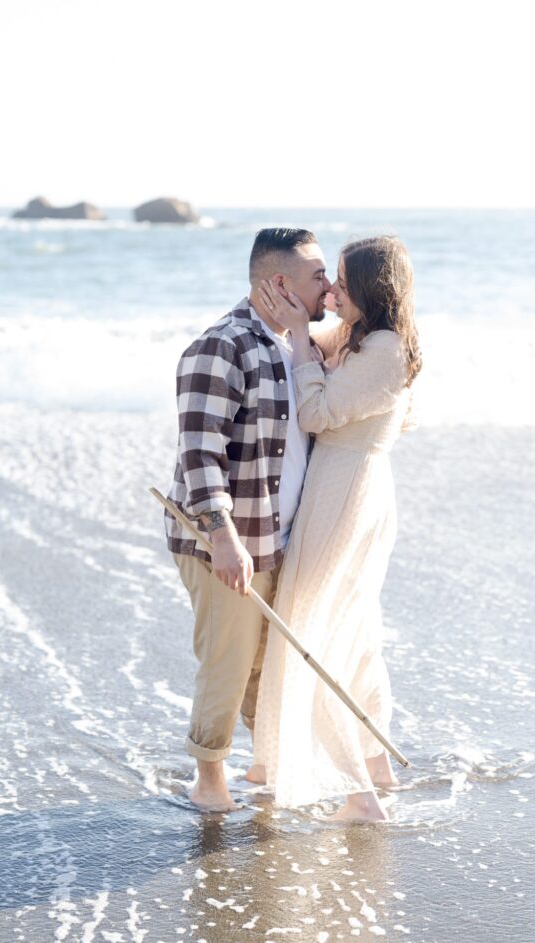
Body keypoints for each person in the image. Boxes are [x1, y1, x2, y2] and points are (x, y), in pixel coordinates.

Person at [249, 235, 421, 822]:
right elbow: (297, 338)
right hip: (347, 486)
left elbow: (317, 411)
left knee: (310, 633)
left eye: (342, 282)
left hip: (345, 494)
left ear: (372, 289)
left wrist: (299, 335)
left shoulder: (387, 350)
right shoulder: (359, 337)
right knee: (356, 633)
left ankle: (359, 795)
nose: (332, 291)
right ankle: (374, 764)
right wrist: (285, 310)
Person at [165, 228, 331, 811]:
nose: (329, 286)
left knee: (267, 663)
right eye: (318, 275)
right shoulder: (222, 346)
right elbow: (199, 451)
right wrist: (222, 536)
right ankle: (208, 782)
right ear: (279, 283)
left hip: (277, 538)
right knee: (228, 660)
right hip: (226, 540)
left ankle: (264, 767)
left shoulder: (296, 347)